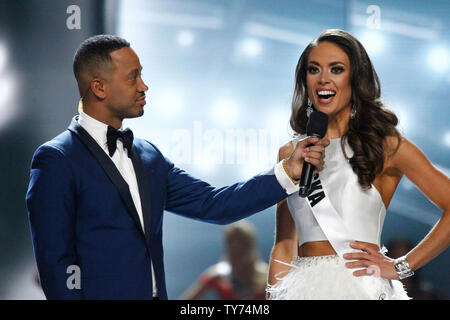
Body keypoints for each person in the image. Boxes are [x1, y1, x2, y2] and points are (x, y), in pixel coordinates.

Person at [25, 35, 329, 300]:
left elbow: (215, 205)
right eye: (133, 77)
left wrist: (287, 170)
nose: (144, 86)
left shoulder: (148, 156)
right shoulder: (56, 160)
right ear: (99, 87)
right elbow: (55, 265)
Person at [267, 29, 450, 300]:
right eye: (314, 69)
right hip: (303, 291)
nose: (323, 79)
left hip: (362, 288)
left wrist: (402, 266)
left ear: (356, 78)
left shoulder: (385, 144)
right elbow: (284, 245)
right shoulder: (291, 152)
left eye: (336, 69)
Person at [180, 220, 268, 300]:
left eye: (241, 241)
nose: (236, 246)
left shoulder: (267, 275)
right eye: (231, 241)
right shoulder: (218, 275)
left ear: (250, 244)